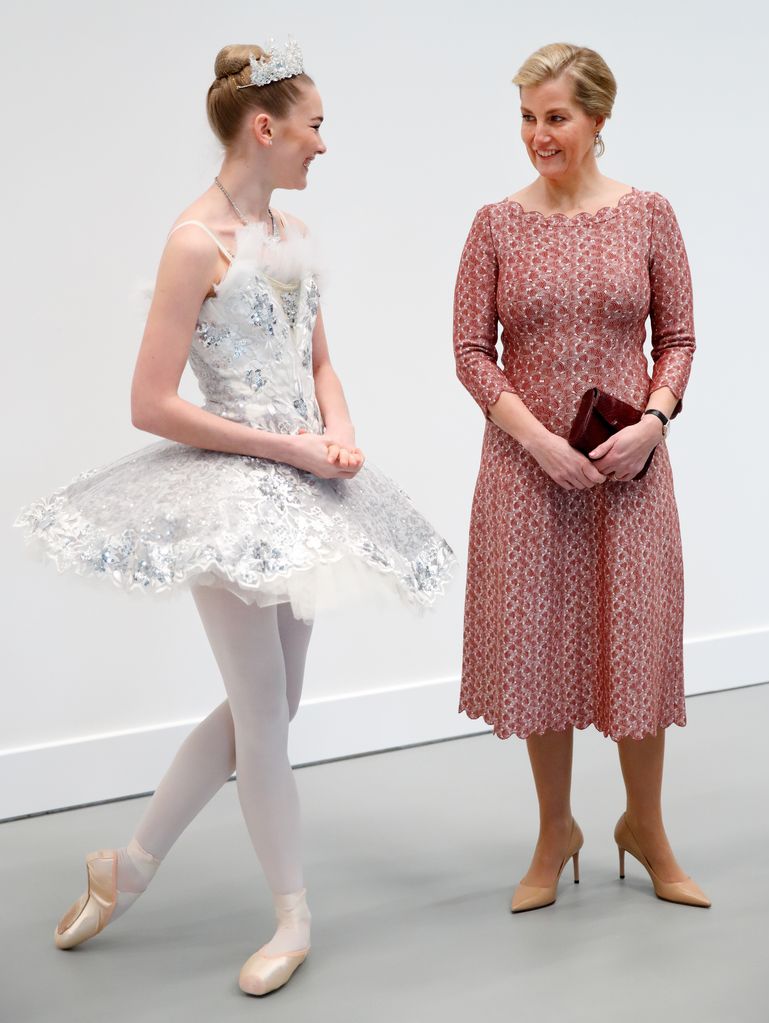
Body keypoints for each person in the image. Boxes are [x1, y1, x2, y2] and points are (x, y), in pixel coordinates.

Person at [15, 39, 454, 996]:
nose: (323, 145)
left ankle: (126, 866)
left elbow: (319, 359)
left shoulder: (291, 234)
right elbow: (150, 401)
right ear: (266, 128)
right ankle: (292, 913)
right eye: (316, 126)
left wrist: (337, 429)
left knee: (277, 705)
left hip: (301, 484)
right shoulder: (192, 242)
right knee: (263, 716)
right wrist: (287, 447)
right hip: (228, 490)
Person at [453, 42, 710, 914]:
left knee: (634, 643)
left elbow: (677, 338)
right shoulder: (495, 223)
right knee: (541, 653)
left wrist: (653, 421)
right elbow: (468, 352)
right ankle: (554, 828)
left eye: (554, 117)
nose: (537, 135)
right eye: (526, 118)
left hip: (626, 471)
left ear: (598, 119)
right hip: (526, 474)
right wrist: (536, 441)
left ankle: (645, 826)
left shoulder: (649, 216)